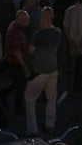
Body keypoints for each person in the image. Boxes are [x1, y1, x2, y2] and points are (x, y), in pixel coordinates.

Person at [25, 7, 62, 136]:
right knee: (51, 98)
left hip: (40, 70)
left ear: (43, 18)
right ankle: (50, 124)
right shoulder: (57, 32)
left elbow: (31, 51)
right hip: (53, 68)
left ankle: (32, 129)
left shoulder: (38, 35)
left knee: (30, 98)